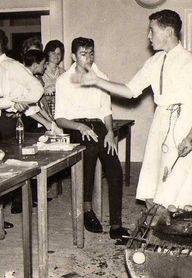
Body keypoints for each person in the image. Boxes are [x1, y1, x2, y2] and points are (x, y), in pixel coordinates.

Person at [76, 11, 192, 212]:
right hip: (161, 121)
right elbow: (130, 90)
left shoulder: (190, 63)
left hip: (185, 127)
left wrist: (189, 138)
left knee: (180, 184)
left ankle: (180, 233)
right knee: (153, 181)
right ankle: (159, 228)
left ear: (168, 31)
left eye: (152, 31)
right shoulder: (155, 61)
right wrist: (97, 81)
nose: (148, 36)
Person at [55, 37, 130, 243]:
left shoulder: (100, 77)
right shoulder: (64, 80)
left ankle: (116, 224)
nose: (88, 58)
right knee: (88, 153)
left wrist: (111, 132)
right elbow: (59, 117)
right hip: (76, 126)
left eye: (91, 53)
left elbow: (106, 110)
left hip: (99, 126)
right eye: (83, 54)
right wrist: (79, 126)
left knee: (115, 169)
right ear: (73, 56)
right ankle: (87, 210)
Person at [43, 40, 66, 116]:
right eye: (53, 53)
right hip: (45, 110)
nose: (56, 56)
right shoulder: (41, 71)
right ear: (47, 54)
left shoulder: (63, 72)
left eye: (59, 53)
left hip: (60, 110)